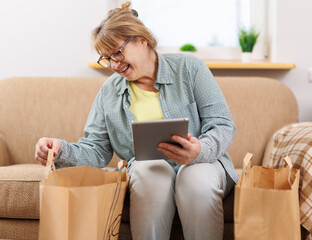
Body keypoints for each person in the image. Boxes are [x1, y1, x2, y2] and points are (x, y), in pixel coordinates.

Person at [35, 2, 239, 240]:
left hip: (202, 164)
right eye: (106, 58)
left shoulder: (190, 69)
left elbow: (222, 124)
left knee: (195, 178)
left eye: (117, 53)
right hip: (149, 174)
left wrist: (200, 150)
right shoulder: (109, 92)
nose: (113, 64)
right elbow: (97, 150)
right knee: (148, 170)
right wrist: (61, 150)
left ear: (142, 40)